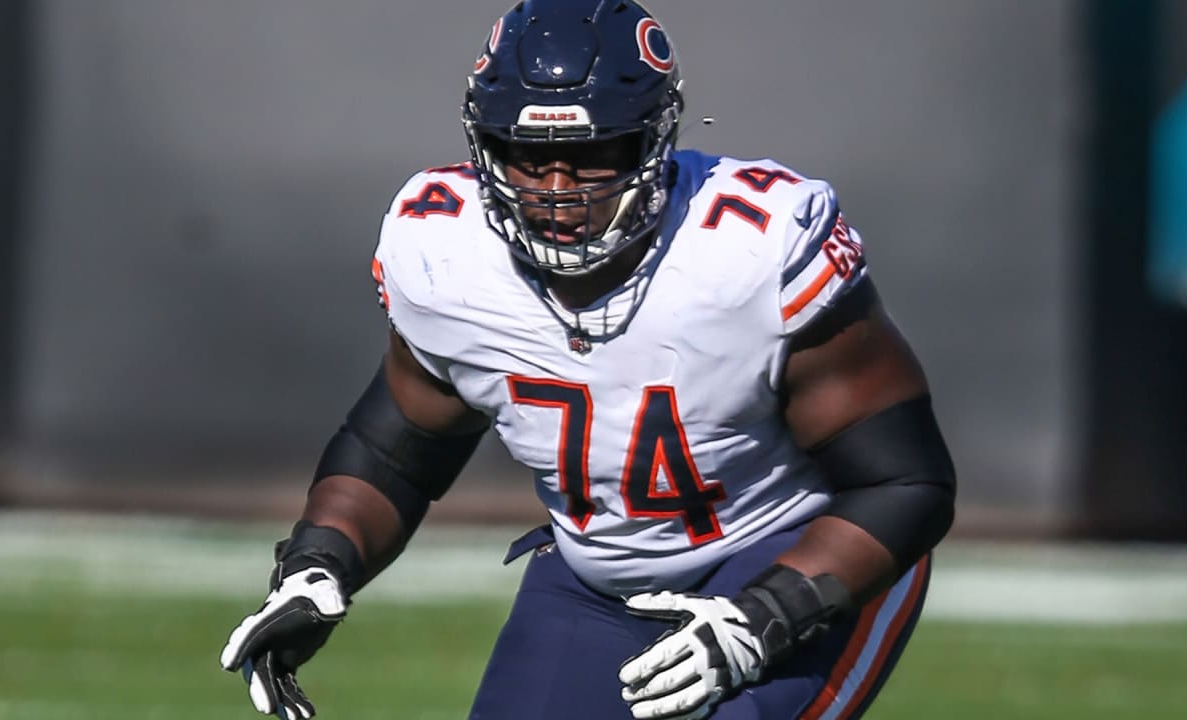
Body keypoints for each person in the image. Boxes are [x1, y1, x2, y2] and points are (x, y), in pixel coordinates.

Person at [219, 1, 956, 718]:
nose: (558, 190)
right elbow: (396, 450)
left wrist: (766, 614)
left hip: (794, 552)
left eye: (594, 154)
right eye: (529, 157)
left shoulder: (749, 249)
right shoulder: (445, 253)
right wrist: (317, 566)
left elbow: (903, 482)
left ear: (652, 142)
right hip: (598, 579)